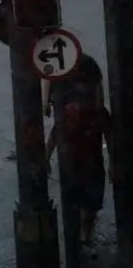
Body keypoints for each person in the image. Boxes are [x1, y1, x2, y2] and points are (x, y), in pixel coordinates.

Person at [46, 53, 115, 246]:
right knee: (86, 201)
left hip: (83, 160)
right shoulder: (86, 111)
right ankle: (83, 235)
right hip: (80, 161)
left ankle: (83, 235)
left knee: (87, 202)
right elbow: (55, 135)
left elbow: (55, 135)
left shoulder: (92, 113)